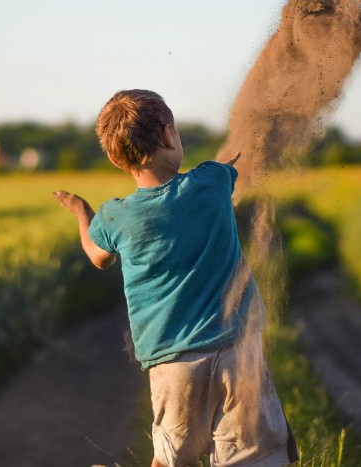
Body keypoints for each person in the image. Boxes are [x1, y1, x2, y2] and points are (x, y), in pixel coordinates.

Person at [52, 89, 299, 467]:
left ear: (116, 159)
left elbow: (98, 257)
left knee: (170, 458)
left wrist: (82, 213)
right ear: (168, 134)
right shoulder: (212, 181)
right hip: (239, 350)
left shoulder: (115, 218)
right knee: (254, 455)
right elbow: (228, 169)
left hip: (173, 364)